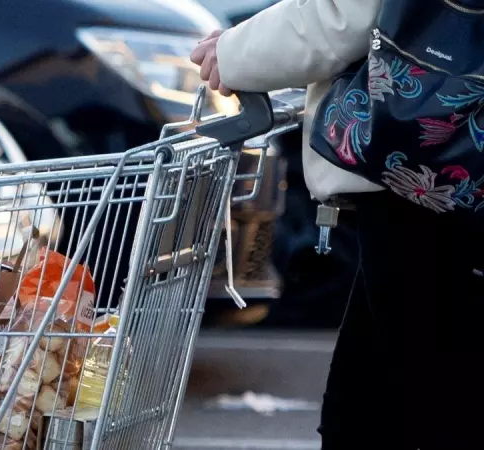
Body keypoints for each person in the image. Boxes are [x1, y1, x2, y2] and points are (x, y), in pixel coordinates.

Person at [191, 1, 484, 449]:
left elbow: (341, 14)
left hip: (427, 181)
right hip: (439, 179)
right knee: (365, 414)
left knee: (424, 411)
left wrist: (233, 54)